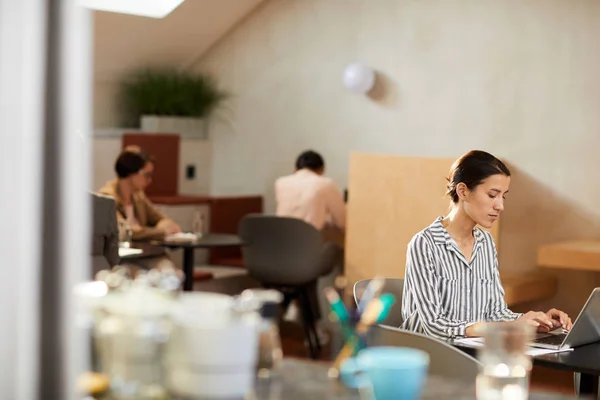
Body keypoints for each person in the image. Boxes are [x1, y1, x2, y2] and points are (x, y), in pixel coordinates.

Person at [401, 150, 572, 339]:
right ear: (463, 191)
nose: (500, 206)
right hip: (430, 355)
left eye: (503, 196)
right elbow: (435, 326)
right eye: (492, 195)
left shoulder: (485, 243)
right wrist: (509, 327)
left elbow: (496, 313)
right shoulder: (424, 244)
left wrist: (532, 321)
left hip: (471, 352)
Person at [275, 150, 346, 345]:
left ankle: (295, 308)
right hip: (305, 255)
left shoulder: (281, 183)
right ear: (320, 170)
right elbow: (343, 221)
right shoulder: (325, 184)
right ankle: (312, 328)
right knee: (314, 264)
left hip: (273, 253)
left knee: (303, 273)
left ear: (295, 168)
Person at [98, 150, 181, 241]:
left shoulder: (138, 196)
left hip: (143, 250)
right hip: (123, 252)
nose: (150, 180)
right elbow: (124, 231)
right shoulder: (107, 197)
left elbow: (163, 219)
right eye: (147, 175)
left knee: (164, 254)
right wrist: (161, 232)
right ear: (131, 172)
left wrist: (154, 230)